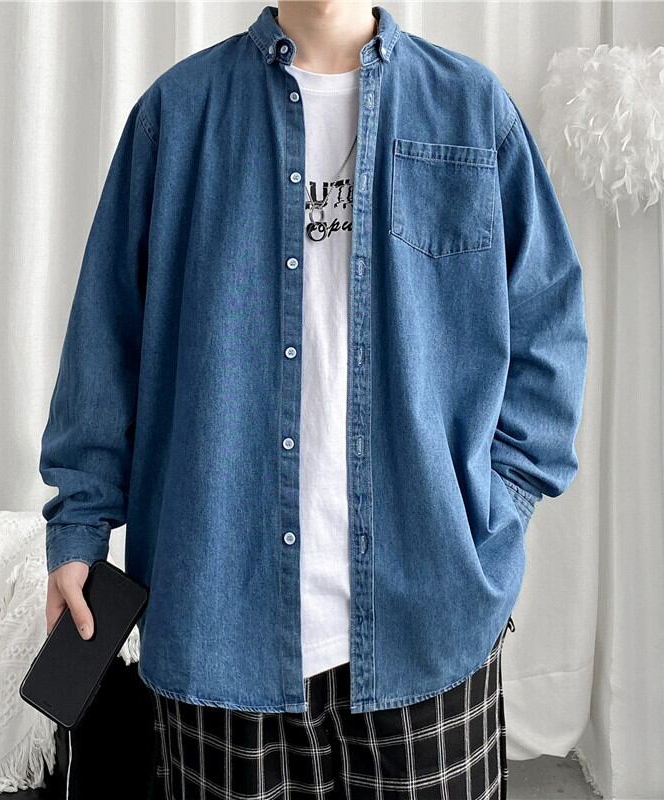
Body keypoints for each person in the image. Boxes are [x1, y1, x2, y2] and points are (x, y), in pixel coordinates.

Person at [40, 2, 588, 797]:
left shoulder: (472, 111)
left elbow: (548, 330)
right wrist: (79, 530)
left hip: (430, 615)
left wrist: (491, 512)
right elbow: (105, 340)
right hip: (218, 619)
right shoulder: (178, 115)